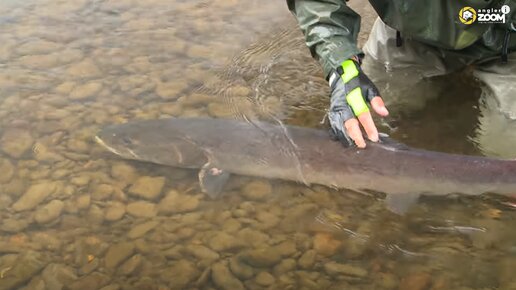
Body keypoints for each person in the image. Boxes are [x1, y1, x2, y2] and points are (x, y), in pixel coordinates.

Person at [287, 0, 516, 156]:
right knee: (358, 129)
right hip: (411, 34)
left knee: (504, 155)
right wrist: (343, 67)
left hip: (510, 43)